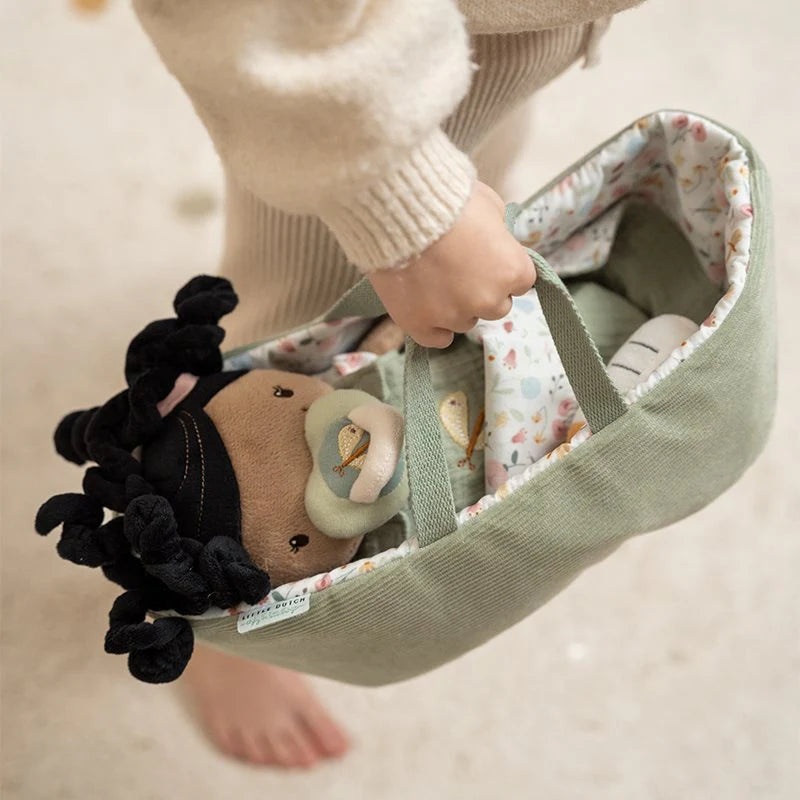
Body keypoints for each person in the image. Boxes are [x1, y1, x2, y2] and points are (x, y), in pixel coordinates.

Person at [132, 0, 645, 768]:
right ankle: (218, 617)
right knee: (284, 331)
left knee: (484, 176)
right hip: (340, 94)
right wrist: (404, 198)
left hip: (491, 44)